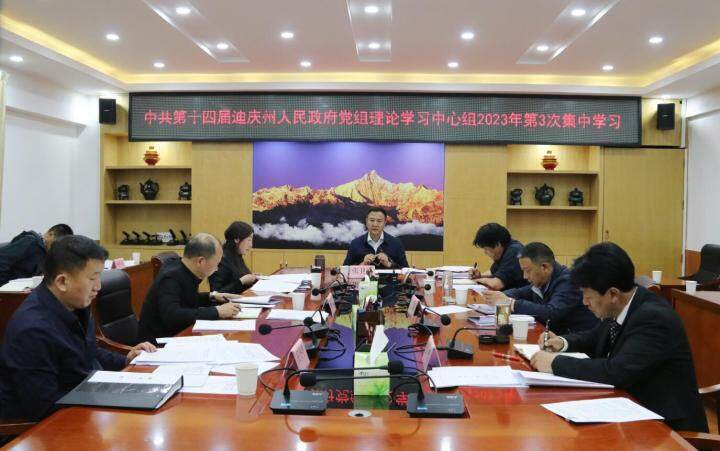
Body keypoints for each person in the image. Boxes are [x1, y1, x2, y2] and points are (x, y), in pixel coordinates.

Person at [531, 242, 708, 432]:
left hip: (668, 429)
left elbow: (617, 371)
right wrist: (563, 342)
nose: (584, 302)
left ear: (613, 294)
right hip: (632, 413)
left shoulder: (654, 318)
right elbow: (594, 337)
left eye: (588, 296)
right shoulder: (623, 304)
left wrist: (555, 363)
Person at [0, 235, 156, 421]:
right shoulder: (32, 330)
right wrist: (103, 396)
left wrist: (125, 360)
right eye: (92, 278)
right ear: (62, 282)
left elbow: (89, 352)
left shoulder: (75, 306)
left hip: (86, 401)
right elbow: (42, 408)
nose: (98, 287)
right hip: (49, 424)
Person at [138, 233, 241, 342]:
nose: (217, 269)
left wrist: (213, 296)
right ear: (200, 261)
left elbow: (187, 298)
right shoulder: (170, 278)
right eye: (217, 264)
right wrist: (217, 311)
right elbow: (172, 316)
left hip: (177, 334)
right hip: (157, 343)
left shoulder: (183, 268)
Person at [483, 242, 598, 334]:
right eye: (523, 271)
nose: (525, 276)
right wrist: (500, 296)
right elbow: (519, 292)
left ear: (544, 267)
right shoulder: (543, 280)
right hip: (553, 337)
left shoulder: (568, 281)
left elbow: (551, 313)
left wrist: (510, 303)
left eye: (528, 271)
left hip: (576, 344)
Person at [0, 224, 73, 285]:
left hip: (24, 289)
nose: (57, 247)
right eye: (56, 243)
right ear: (50, 234)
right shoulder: (30, 242)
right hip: (9, 289)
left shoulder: (48, 253)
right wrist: (3, 287)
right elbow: (2, 260)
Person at [343, 207, 408, 268]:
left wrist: (389, 264)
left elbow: (406, 270)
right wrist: (363, 264)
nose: (375, 224)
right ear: (366, 221)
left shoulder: (396, 243)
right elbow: (345, 270)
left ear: (385, 223)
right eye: (372, 220)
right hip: (363, 277)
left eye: (379, 221)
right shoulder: (355, 243)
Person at [468, 223, 526, 290]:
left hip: (519, 295)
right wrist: (480, 275)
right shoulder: (505, 248)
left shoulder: (514, 251)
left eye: (486, 249)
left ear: (497, 244)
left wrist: (477, 280)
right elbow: (493, 272)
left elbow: (496, 284)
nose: (485, 252)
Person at [209, 221, 257, 294]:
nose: (251, 245)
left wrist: (253, 278)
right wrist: (242, 281)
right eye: (249, 240)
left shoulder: (237, 255)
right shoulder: (221, 259)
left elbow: (238, 277)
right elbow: (216, 293)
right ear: (237, 239)